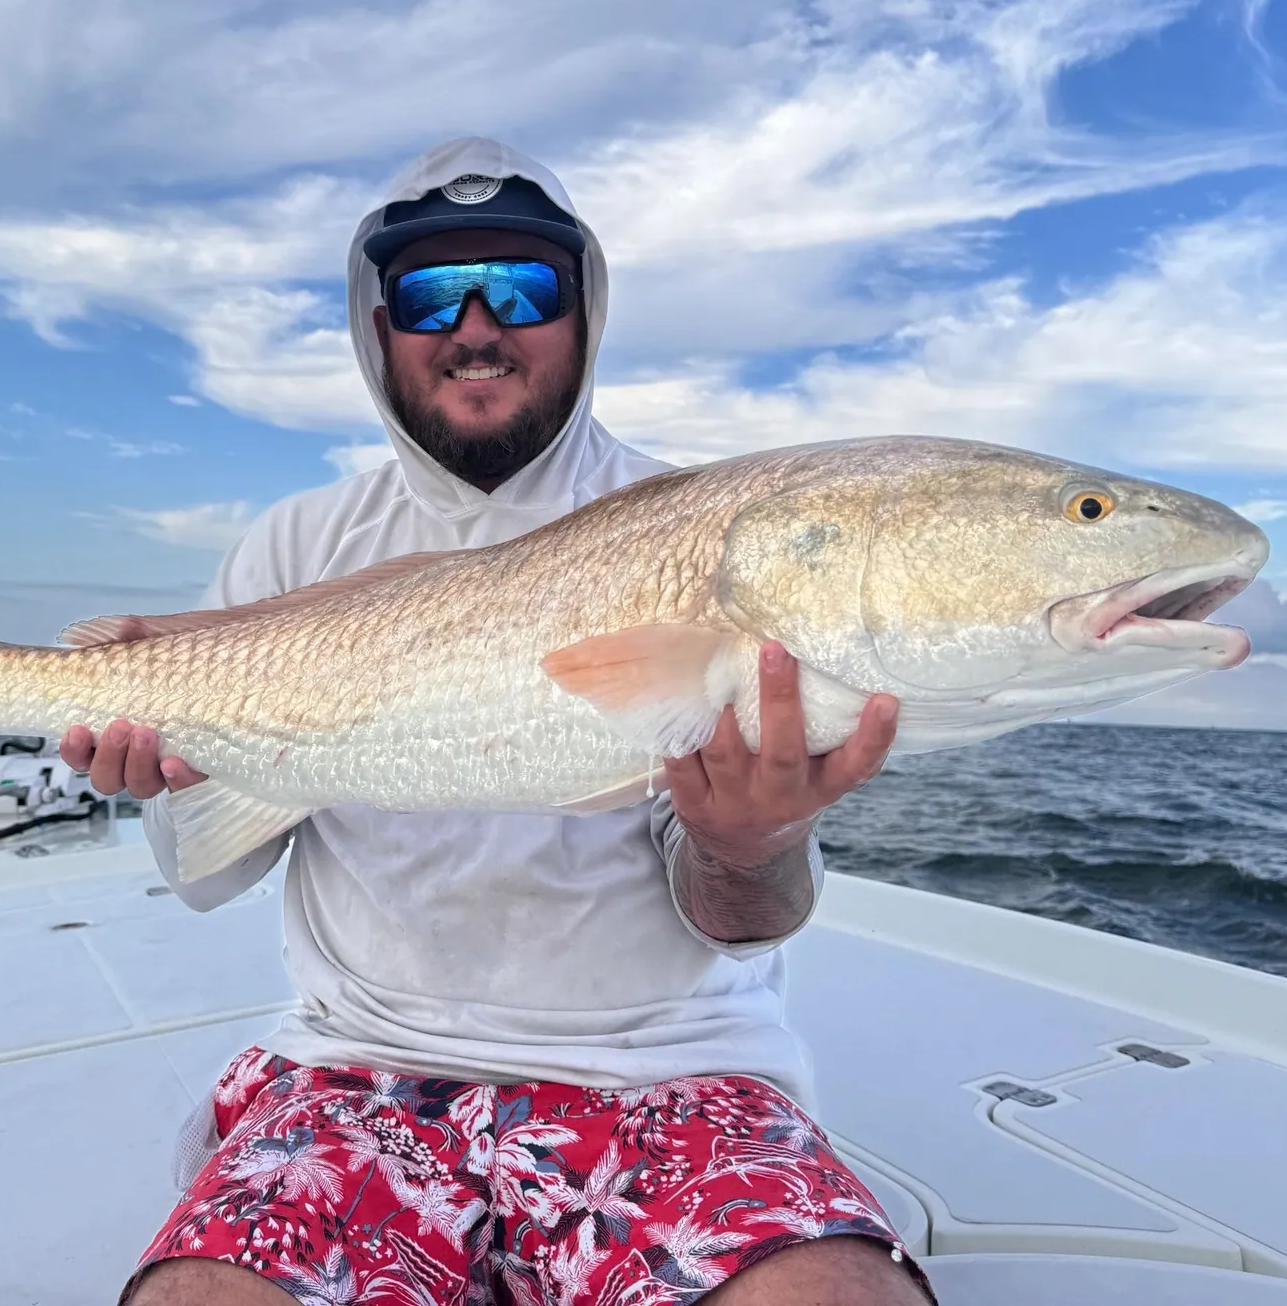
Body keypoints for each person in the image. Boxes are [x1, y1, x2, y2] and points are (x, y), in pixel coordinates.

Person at [61, 138, 929, 1306]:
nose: (476, 324)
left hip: (666, 1075)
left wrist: (749, 843)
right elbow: (210, 871)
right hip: (357, 1068)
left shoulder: (709, 538)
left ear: (586, 314)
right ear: (378, 330)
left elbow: (743, 923)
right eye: (427, 294)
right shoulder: (291, 547)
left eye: (524, 287)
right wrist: (164, 779)